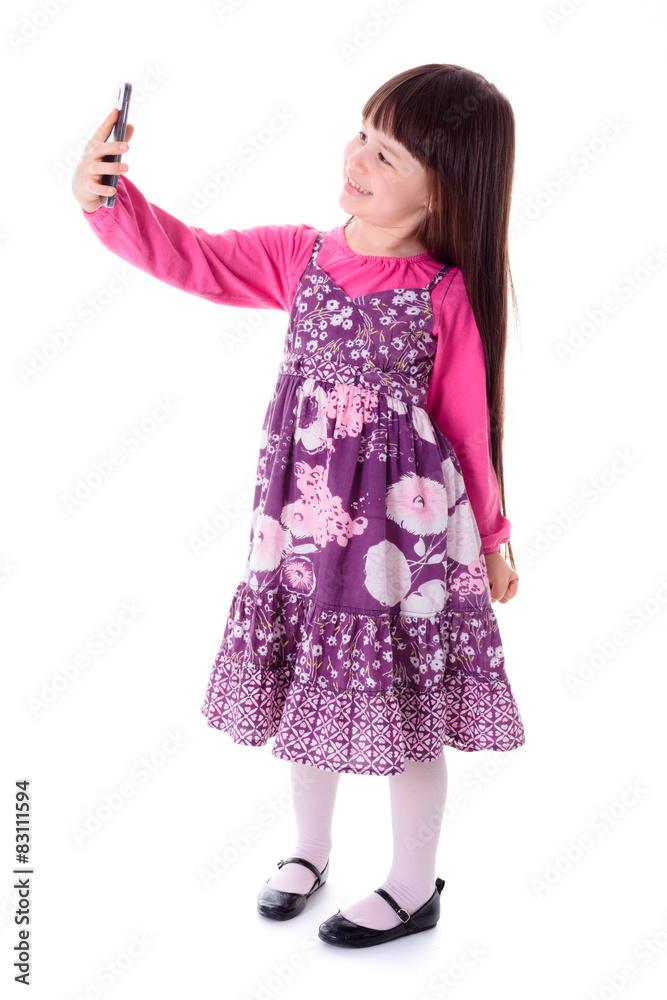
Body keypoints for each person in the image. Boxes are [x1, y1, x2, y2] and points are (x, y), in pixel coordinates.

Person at [72, 62, 526, 949]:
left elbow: (469, 428)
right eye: (362, 133)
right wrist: (109, 200)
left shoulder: (443, 294)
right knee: (308, 687)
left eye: (387, 155)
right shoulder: (301, 256)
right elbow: (194, 257)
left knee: (405, 708)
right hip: (303, 533)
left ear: (444, 188)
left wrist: (494, 540)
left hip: (402, 550)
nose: (357, 158)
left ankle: (410, 886)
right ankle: (309, 850)